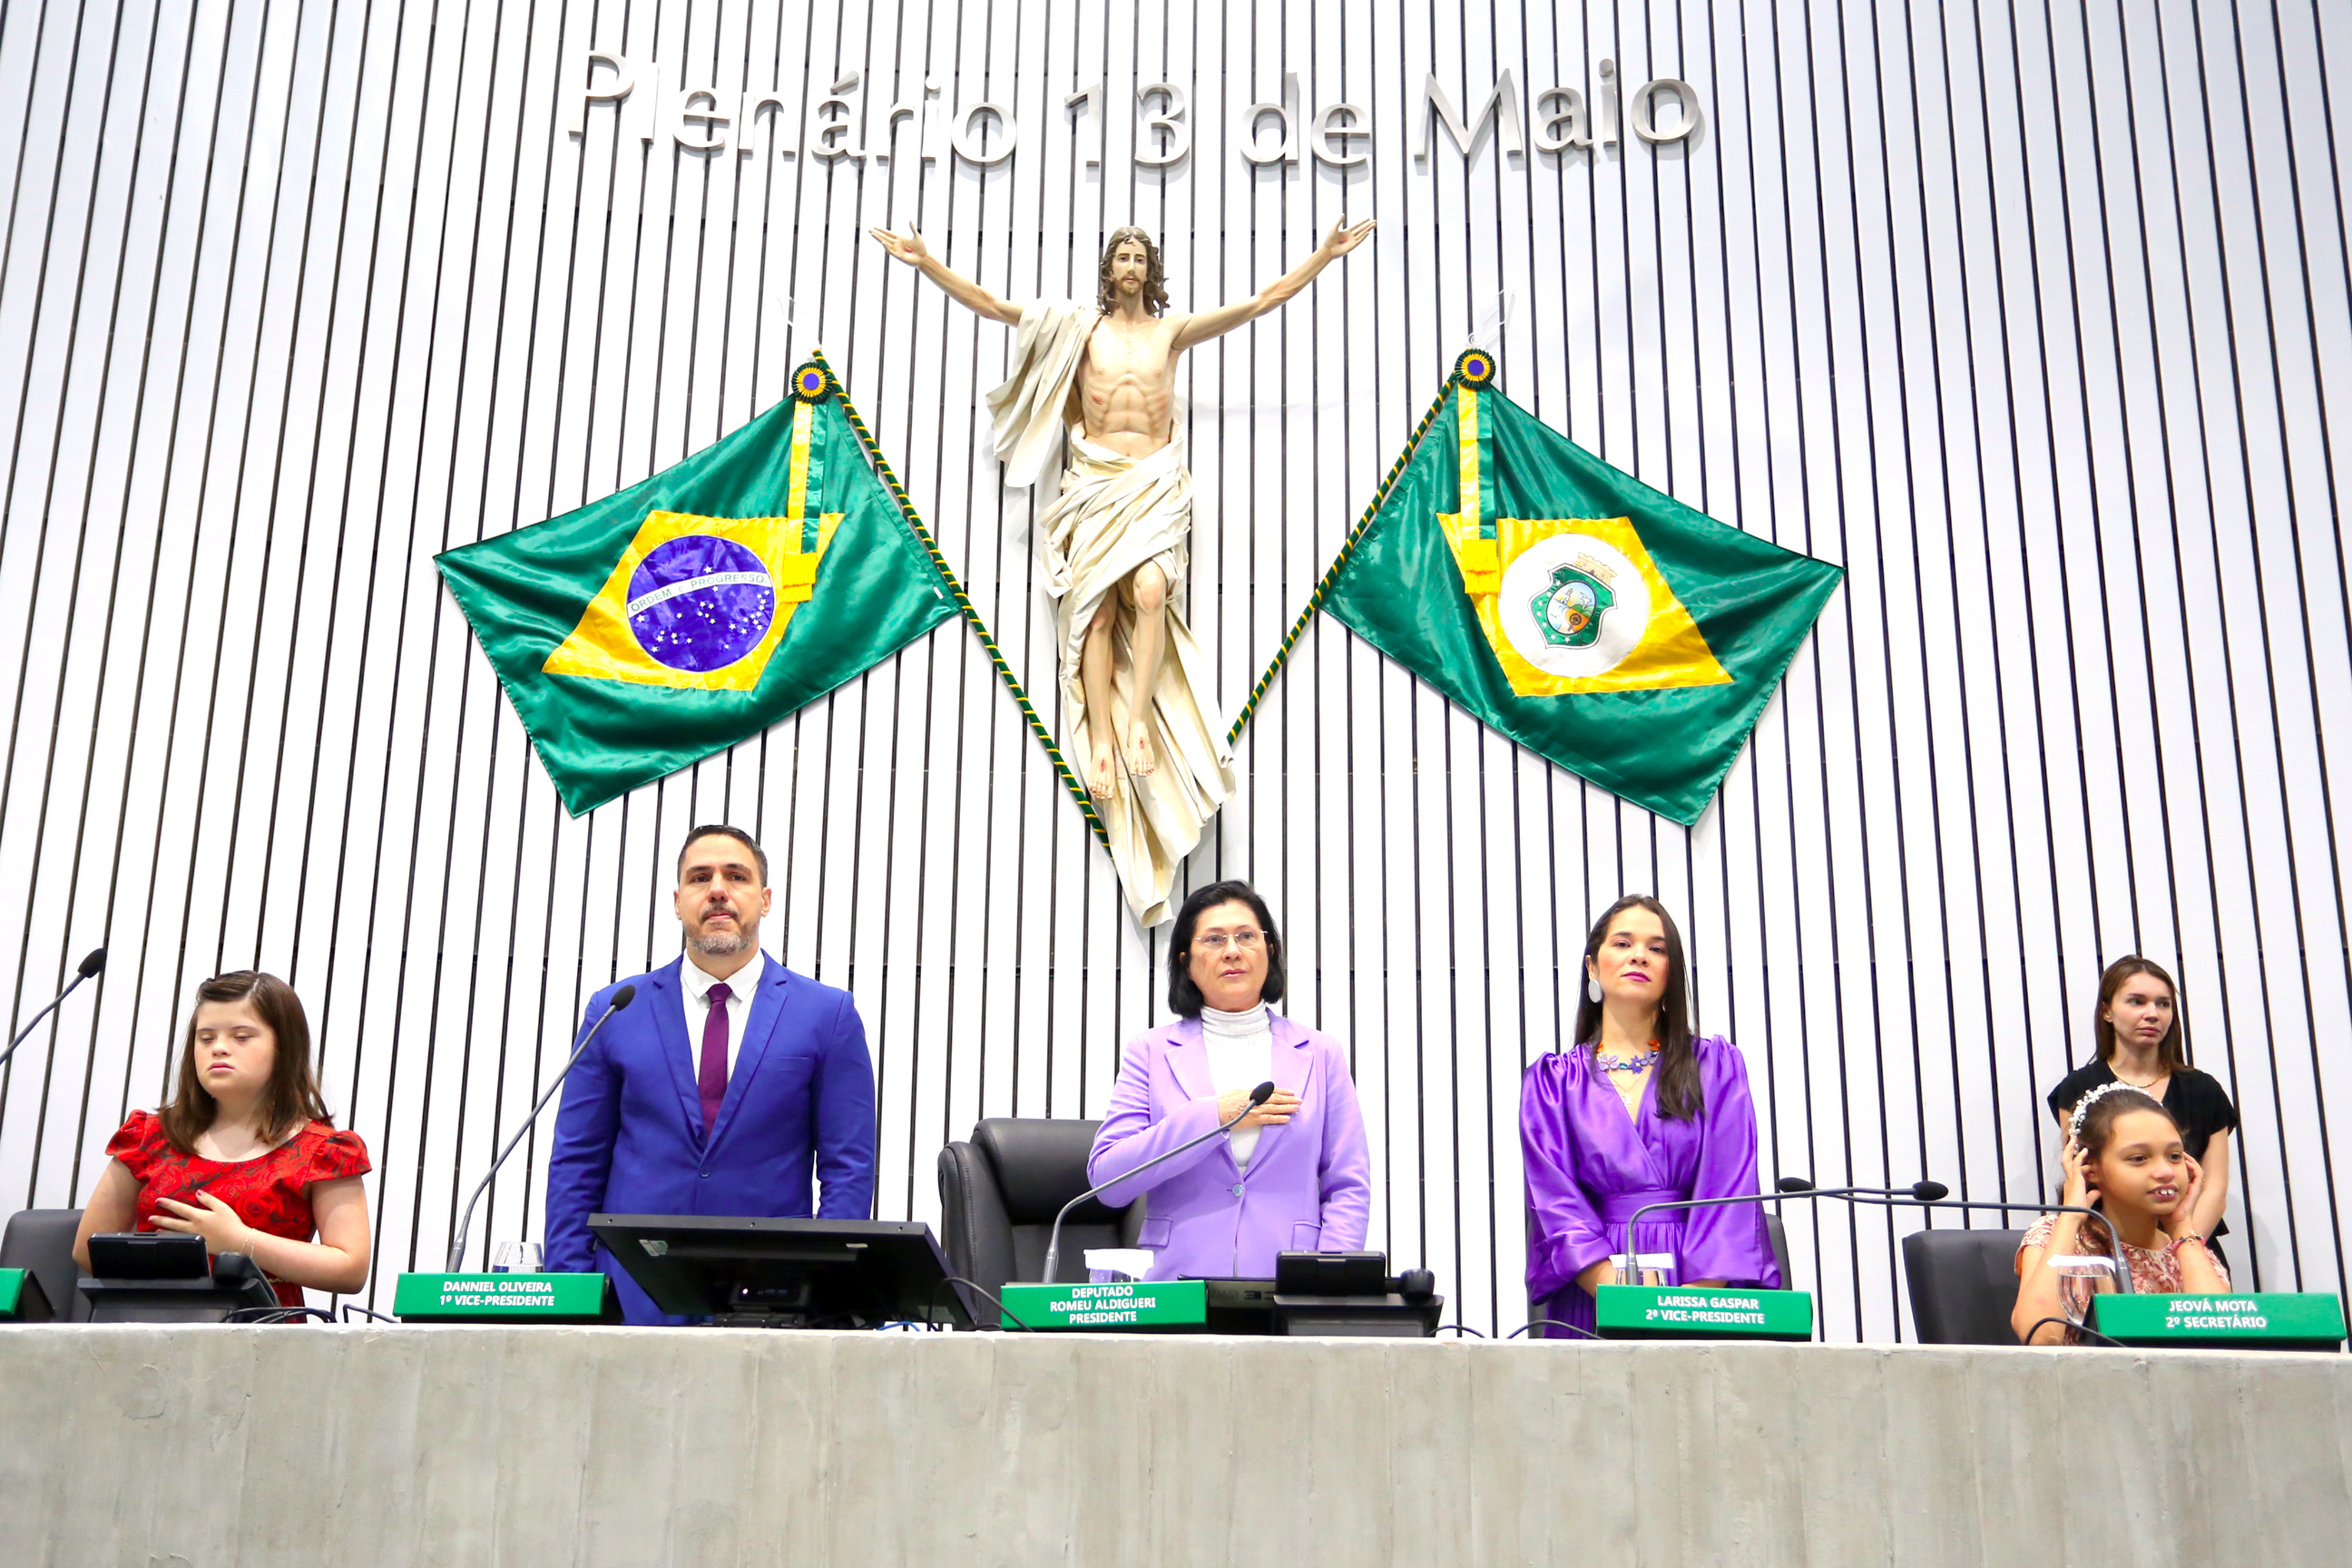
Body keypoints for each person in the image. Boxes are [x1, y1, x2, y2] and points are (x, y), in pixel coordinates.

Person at [867, 219, 1372, 924]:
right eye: (1121, 255)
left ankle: (1137, 723)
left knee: (1153, 589)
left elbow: (1262, 303)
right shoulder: (1078, 328)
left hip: (1156, 480)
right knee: (1097, 614)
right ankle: (1102, 733)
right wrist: (926, 263)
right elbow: (987, 303)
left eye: (1140, 255)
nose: (1131, 264)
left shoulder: (1171, 333)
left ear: (1150, 269)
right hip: (1097, 479)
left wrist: (1323, 255)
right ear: (1108, 269)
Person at [544, 824, 877, 1324]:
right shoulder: (616, 1010)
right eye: (700, 878)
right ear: (678, 902)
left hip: (773, 1297)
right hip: (632, 1297)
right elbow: (576, 1162)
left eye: (735, 876)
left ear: (765, 900)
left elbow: (847, 1167)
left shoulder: (826, 1015)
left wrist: (825, 1288)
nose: (718, 889)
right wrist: (570, 1293)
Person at [1520, 895, 1780, 1338]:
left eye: (1657, 949)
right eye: (1623, 943)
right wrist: (1617, 1296)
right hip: (1593, 1287)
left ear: (1670, 973)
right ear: (1592, 968)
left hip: (1701, 1285)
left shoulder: (1716, 1066)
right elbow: (1555, 1203)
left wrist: (1691, 1307)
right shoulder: (1552, 1083)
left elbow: (1730, 1188)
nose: (1639, 954)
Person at [1084, 880, 1370, 1279]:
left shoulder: (1321, 1054)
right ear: (1187, 962)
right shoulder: (1149, 1052)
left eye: (1246, 936)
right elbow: (1109, 1180)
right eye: (1214, 939)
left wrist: (1327, 1278)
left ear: (1269, 952)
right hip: (1177, 1284)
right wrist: (1214, 1117)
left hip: (1289, 1283)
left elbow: (1347, 1186)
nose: (1232, 950)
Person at [74, 972, 371, 1308]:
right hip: (148, 1321)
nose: (219, 1048)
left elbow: (350, 1269)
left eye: (241, 1037)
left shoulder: (323, 1150)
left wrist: (240, 1241)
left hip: (261, 1334)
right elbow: (87, 1248)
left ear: (284, 1047)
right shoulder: (149, 1136)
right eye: (205, 1038)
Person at [2045, 956, 2239, 1263]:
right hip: (2109, 1249)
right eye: (2137, 1001)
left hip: (2193, 1243)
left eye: (2163, 1004)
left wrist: (2180, 1250)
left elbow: (2215, 1186)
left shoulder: (2203, 1089)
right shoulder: (2078, 1087)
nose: (2152, 1014)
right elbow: (2082, 1174)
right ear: (2107, 1011)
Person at [2013, 1083, 2228, 1345]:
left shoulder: (2189, 1249)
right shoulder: (2051, 1235)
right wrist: (2071, 1216)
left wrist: (2184, 1230)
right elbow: (2040, 1336)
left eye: (2174, 1156)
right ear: (2089, 1169)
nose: (2166, 1172)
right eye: (2138, 1158)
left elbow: (2222, 1340)